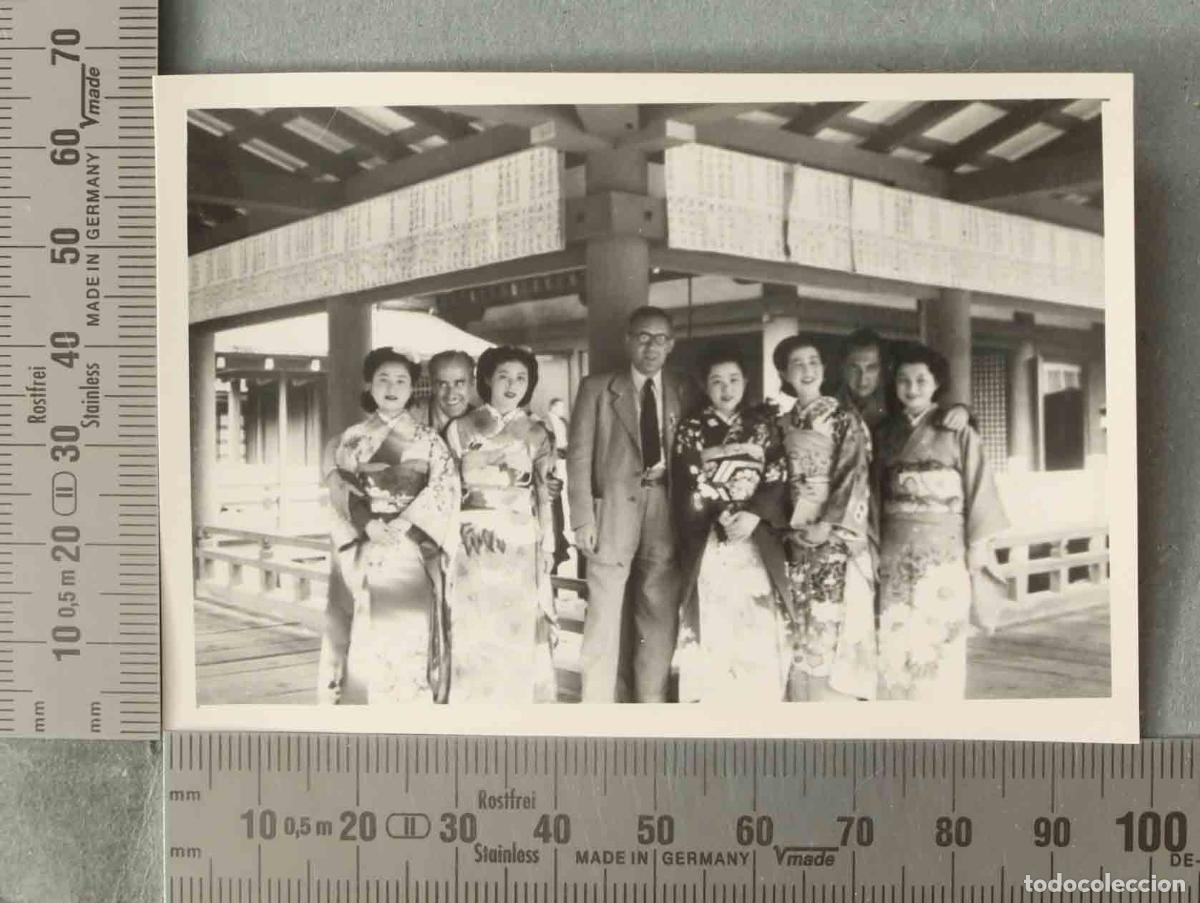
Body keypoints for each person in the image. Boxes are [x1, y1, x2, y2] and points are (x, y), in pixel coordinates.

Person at [316, 347, 460, 704]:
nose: (392, 387)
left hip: (411, 546)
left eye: (402, 380)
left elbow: (444, 488)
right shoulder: (352, 438)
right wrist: (366, 525)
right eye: (383, 379)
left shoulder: (429, 440)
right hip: (369, 544)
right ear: (369, 384)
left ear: (414, 388)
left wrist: (407, 527)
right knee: (367, 631)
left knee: (411, 633)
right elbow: (338, 492)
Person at [567, 305, 693, 703]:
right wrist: (583, 519)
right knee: (603, 614)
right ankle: (597, 706)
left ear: (670, 345)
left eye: (659, 338)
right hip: (612, 515)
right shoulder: (598, 389)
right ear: (628, 341)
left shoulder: (683, 390)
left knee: (657, 611)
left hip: (664, 510)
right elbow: (579, 457)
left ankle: (649, 705)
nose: (651, 346)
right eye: (642, 336)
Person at [875, 343, 1009, 700]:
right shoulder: (885, 432)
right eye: (903, 380)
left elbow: (978, 487)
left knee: (940, 639)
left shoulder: (958, 430)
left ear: (937, 384)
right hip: (894, 548)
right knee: (894, 635)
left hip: (945, 550)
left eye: (921, 379)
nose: (912, 388)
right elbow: (874, 494)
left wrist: (977, 546)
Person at [670, 345, 792, 701]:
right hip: (713, 531)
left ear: (746, 381)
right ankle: (717, 700)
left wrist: (754, 513)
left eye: (734, 379)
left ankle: (758, 698)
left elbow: (776, 474)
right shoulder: (693, 426)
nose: (727, 388)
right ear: (705, 386)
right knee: (715, 612)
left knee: (756, 613)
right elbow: (690, 475)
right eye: (717, 381)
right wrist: (720, 512)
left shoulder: (762, 426)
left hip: (754, 531)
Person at [444, 346, 558, 703]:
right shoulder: (460, 427)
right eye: (504, 376)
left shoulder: (539, 432)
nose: (512, 385)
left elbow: (542, 492)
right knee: (474, 624)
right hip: (471, 538)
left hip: (520, 539)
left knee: (515, 624)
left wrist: (549, 545)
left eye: (521, 378)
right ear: (488, 379)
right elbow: (446, 490)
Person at [772, 334, 877, 701]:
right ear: (784, 373)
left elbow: (854, 474)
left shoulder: (844, 418)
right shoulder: (781, 423)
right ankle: (801, 701)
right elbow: (774, 480)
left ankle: (831, 704)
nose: (807, 369)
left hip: (831, 536)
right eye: (797, 363)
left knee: (829, 617)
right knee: (796, 620)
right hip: (793, 534)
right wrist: (783, 525)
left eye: (814, 361)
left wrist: (828, 524)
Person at [837, 328, 971, 435]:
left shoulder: (899, 397)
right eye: (854, 368)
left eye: (871, 368)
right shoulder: (827, 398)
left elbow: (943, 411)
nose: (863, 377)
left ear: (883, 368)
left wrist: (962, 411)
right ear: (843, 367)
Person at [546, 398, 572, 571]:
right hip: (553, 464)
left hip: (559, 464)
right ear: (552, 407)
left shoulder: (563, 422)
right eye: (559, 407)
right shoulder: (544, 422)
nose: (562, 410)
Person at [425, 349, 477, 434]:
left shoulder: (481, 422)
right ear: (433, 386)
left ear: (472, 383)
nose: (451, 394)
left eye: (459, 383)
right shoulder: (412, 419)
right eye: (442, 384)